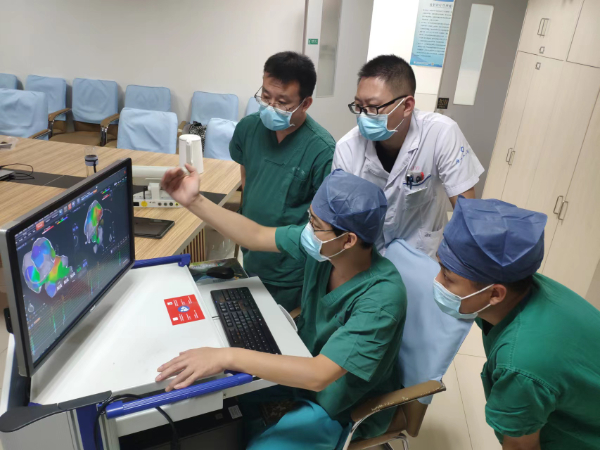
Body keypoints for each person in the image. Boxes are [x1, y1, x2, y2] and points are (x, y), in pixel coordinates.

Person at [157, 166, 407, 448]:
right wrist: (194, 200)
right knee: (206, 403)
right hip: (301, 368)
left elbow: (319, 376)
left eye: (315, 225)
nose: (308, 230)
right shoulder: (327, 250)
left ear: (348, 240)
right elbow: (255, 235)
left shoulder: (381, 298)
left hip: (340, 405)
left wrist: (226, 356)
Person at [433, 197, 600, 450]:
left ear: (495, 294)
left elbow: (521, 447)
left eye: (448, 278)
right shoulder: (523, 288)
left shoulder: (521, 365)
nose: (437, 282)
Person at [333, 55, 484, 257]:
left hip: (424, 255)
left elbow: (466, 213)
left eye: (373, 107)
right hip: (369, 257)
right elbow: (340, 217)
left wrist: (450, 265)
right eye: (359, 106)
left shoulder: (441, 133)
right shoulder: (347, 148)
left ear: (406, 106)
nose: (363, 116)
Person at [230, 51, 335, 312]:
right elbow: (247, 177)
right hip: (251, 256)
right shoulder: (248, 128)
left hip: (289, 271)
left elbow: (325, 222)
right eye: (266, 97)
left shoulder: (322, 150)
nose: (270, 107)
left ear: (305, 103)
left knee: (280, 329)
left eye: (282, 102)